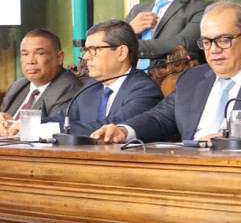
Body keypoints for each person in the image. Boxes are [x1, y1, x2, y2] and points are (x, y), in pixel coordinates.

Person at [92, 0, 241, 145]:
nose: (213, 50)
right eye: (206, 42)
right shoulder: (193, 78)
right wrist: (124, 130)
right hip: (189, 174)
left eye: (223, 40)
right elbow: (159, 118)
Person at [3, 20, 164, 137]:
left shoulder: (144, 89)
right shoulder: (92, 86)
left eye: (94, 50)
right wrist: (19, 124)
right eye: (85, 50)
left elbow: (110, 126)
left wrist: (41, 129)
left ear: (121, 52)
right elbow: (63, 118)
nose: (86, 57)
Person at [0, 29, 81, 136]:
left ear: (59, 57)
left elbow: (56, 133)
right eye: (25, 54)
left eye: (40, 53)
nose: (30, 61)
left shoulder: (69, 89)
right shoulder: (17, 86)